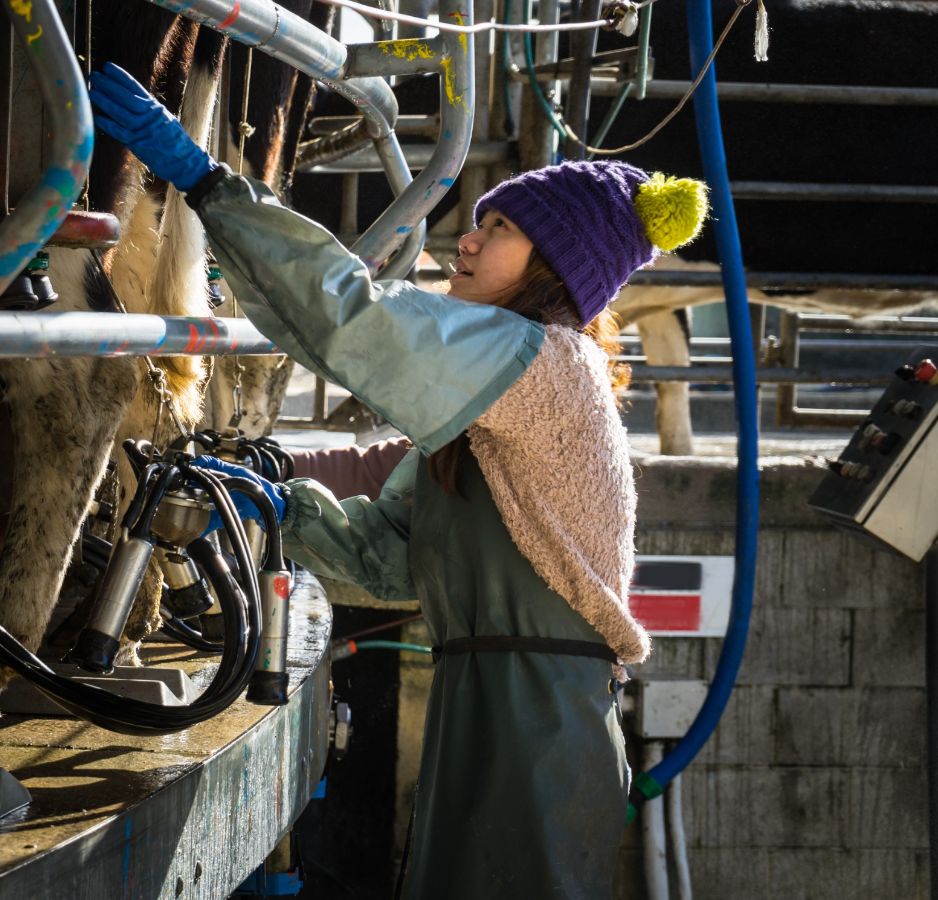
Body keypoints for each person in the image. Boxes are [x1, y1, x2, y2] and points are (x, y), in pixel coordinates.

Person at [90, 63, 709, 898]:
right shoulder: (500, 395)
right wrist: (270, 506)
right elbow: (387, 560)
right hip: (491, 702)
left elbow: (356, 322)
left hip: (539, 720)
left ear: (554, 269)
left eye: (501, 230)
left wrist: (210, 186)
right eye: (478, 221)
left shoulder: (540, 364)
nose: (468, 238)